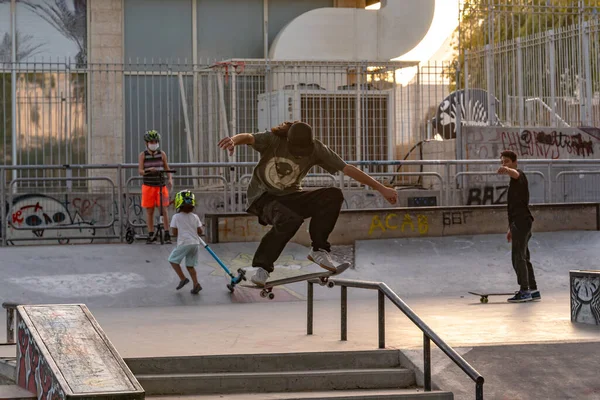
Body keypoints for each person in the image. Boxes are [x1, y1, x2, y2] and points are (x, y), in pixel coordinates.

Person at [218, 120, 398, 286]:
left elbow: (347, 168)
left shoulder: (316, 148)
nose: (298, 155)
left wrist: (381, 188)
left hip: (291, 197)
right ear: (288, 140)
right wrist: (234, 140)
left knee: (333, 195)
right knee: (290, 220)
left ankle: (318, 249)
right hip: (263, 197)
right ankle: (262, 268)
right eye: (295, 151)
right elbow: (249, 137)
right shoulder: (273, 140)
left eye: (302, 152)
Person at [497, 150, 541, 303]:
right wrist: (510, 228)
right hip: (520, 223)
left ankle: (524, 290)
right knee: (524, 256)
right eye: (502, 162)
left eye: (507, 161)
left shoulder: (519, 175)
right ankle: (533, 289)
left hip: (522, 222)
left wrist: (507, 170)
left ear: (515, 162)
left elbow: (515, 174)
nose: (504, 164)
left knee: (518, 257)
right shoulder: (514, 182)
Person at [138, 130, 173, 244]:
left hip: (160, 185)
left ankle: (167, 233)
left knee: (164, 210)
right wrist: (148, 170)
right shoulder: (143, 155)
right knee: (150, 211)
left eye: (155, 141)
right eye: (151, 142)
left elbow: (167, 168)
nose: (154, 143)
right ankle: (151, 233)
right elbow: (140, 171)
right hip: (148, 186)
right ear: (147, 143)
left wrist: (170, 179)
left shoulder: (162, 154)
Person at [168, 190, 203, 294]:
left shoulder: (176, 217)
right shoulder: (195, 216)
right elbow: (200, 231)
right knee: (190, 266)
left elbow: (174, 233)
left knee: (173, 260)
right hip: (195, 243)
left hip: (184, 243)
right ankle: (196, 284)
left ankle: (183, 278)